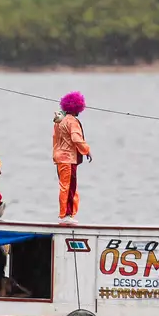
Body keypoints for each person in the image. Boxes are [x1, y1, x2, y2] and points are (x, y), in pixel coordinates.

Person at [53, 92, 92, 224]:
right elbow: (76, 138)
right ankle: (66, 215)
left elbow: (55, 139)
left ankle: (67, 214)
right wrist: (87, 150)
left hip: (60, 158)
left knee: (65, 186)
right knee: (69, 187)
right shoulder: (72, 121)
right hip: (68, 159)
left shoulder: (59, 122)